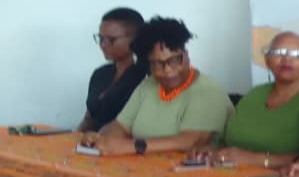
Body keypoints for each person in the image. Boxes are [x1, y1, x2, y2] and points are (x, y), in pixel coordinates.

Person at [78, 17, 232, 155]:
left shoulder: (208, 92)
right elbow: (121, 126)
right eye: (157, 64)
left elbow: (189, 141)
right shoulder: (148, 86)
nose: (167, 70)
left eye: (174, 60)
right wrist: (102, 139)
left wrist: (131, 146)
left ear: (186, 54)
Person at [196, 32, 299, 169]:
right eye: (279, 52)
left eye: (297, 54)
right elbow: (225, 141)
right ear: (267, 60)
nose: (287, 59)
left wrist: (254, 159)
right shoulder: (255, 94)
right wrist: (210, 150)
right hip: (227, 173)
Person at [78, 7, 146, 131]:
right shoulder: (100, 74)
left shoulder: (145, 77)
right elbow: (89, 118)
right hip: (92, 139)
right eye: (100, 38)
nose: (103, 45)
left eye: (111, 40)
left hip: (123, 140)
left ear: (135, 39)